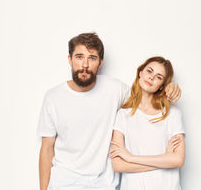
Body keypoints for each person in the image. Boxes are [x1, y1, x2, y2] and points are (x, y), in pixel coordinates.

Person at [37, 33, 182, 190]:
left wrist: (169, 87)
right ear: (70, 59)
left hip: (103, 183)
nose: (85, 64)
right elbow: (46, 149)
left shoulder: (115, 89)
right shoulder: (53, 97)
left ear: (100, 63)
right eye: (79, 57)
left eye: (92, 58)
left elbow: (143, 99)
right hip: (64, 181)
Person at [109, 56, 185, 190]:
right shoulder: (122, 115)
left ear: (162, 85)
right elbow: (118, 165)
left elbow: (177, 160)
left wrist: (130, 157)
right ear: (140, 72)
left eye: (159, 77)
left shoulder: (172, 115)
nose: (151, 77)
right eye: (149, 71)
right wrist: (165, 159)